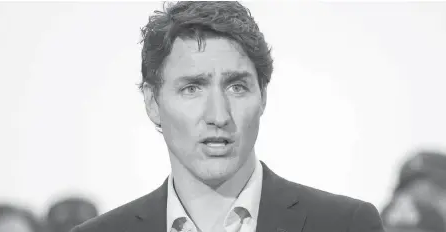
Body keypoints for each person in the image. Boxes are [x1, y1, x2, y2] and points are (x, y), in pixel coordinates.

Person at [71, 1, 384, 232]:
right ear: (152, 102)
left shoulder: (345, 225)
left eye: (237, 87)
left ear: (263, 95)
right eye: (192, 88)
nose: (218, 116)